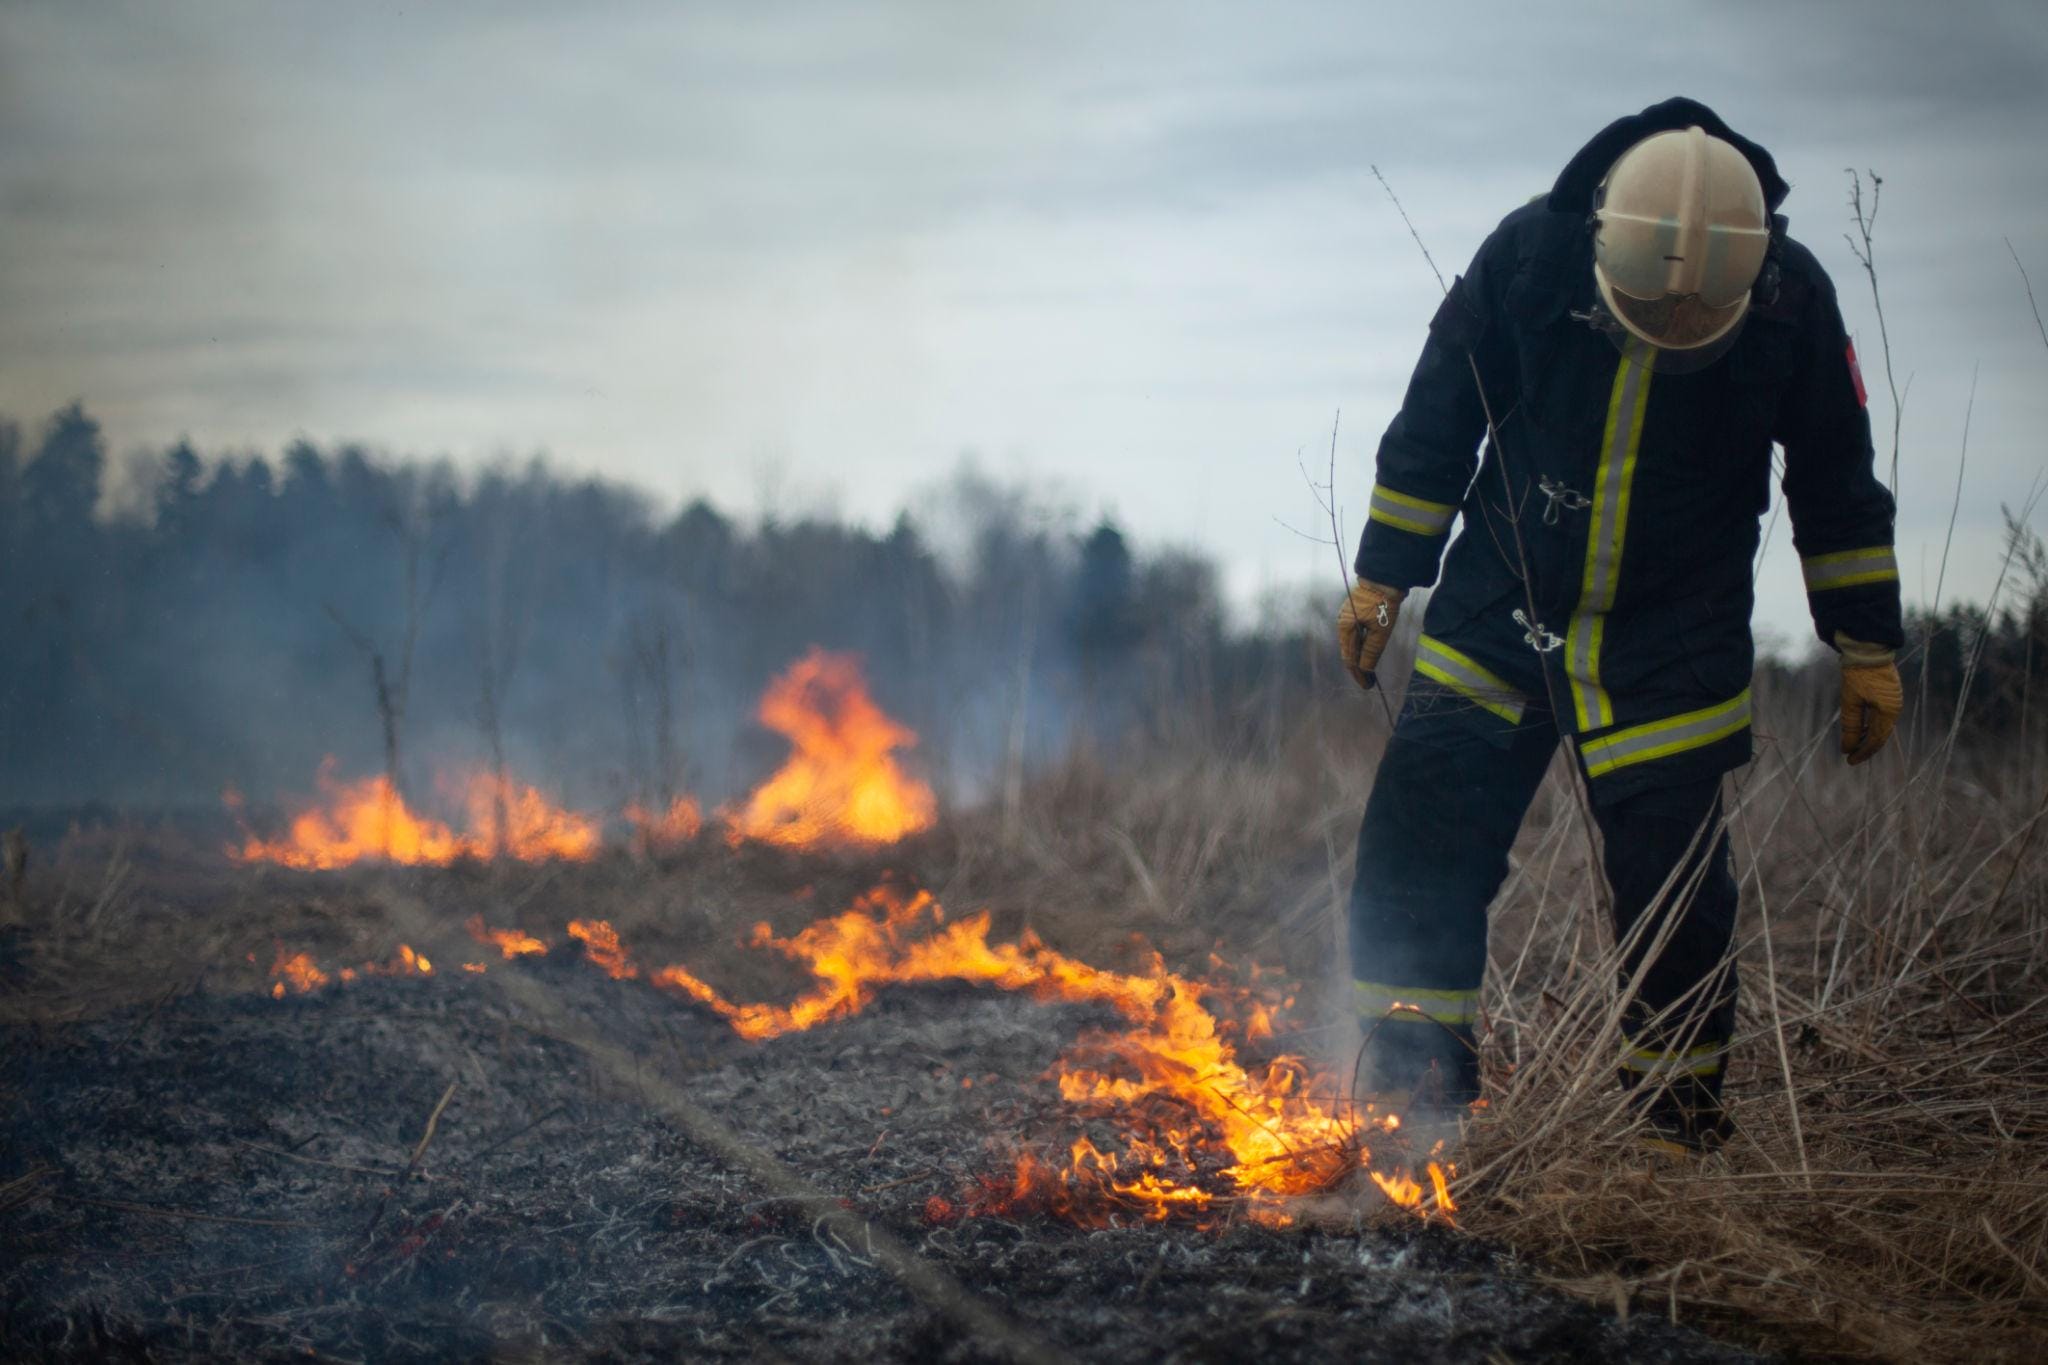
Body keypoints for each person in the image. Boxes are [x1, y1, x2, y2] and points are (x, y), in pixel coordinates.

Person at [1336, 97, 1904, 1150]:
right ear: (1601, 245)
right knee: (1419, 850)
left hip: (1667, 639)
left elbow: (1834, 477)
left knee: (1675, 904)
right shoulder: (1526, 257)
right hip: (1498, 610)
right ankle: (1411, 1103)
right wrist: (1383, 574)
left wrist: (1864, 639)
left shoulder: (1789, 302)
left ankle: (1668, 1139)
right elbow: (1436, 418)